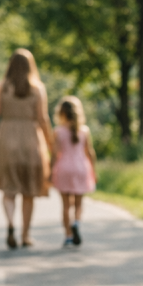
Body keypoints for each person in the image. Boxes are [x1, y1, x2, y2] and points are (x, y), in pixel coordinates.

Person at [0, 49, 53, 249]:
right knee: (28, 190)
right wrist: (52, 146)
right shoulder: (37, 88)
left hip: (7, 139)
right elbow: (43, 119)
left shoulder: (1, 87)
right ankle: (25, 235)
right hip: (31, 140)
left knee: (9, 188)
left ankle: (10, 224)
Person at [50, 96, 97, 247]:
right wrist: (93, 171)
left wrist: (50, 171)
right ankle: (76, 222)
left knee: (65, 205)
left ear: (61, 113)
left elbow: (54, 154)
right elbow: (90, 153)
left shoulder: (58, 131)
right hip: (81, 168)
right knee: (78, 203)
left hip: (63, 168)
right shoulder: (84, 131)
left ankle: (68, 236)